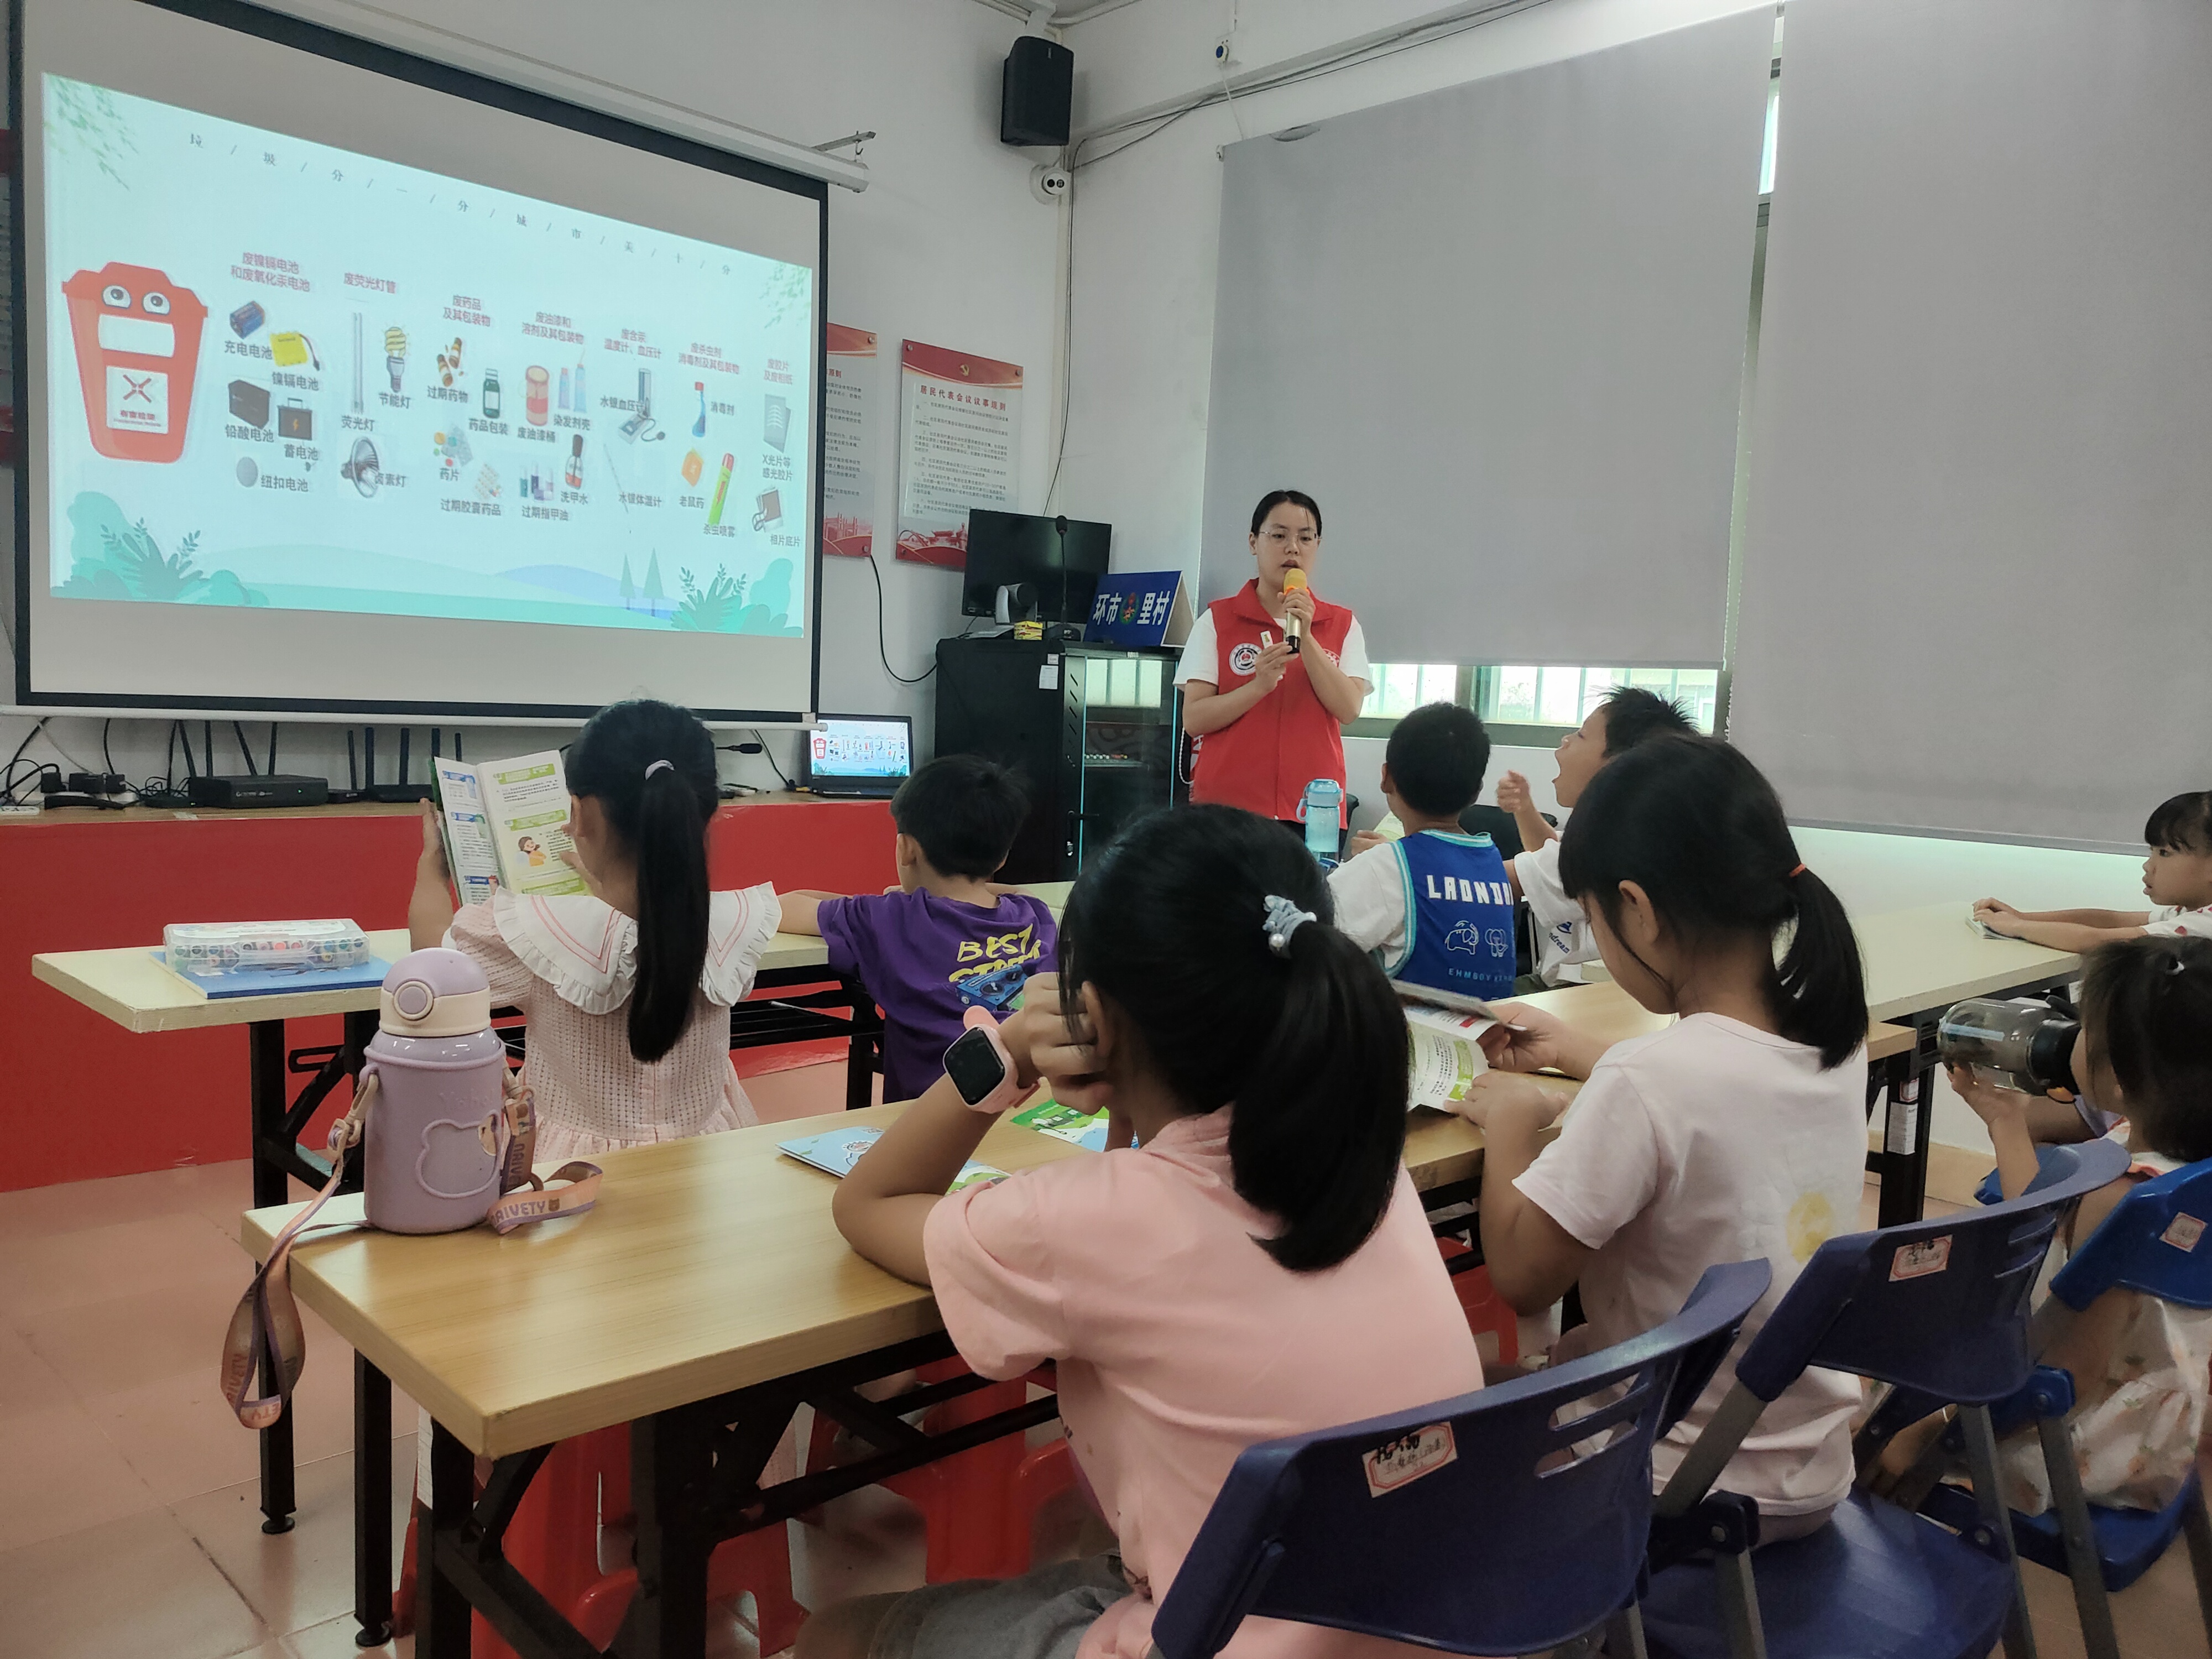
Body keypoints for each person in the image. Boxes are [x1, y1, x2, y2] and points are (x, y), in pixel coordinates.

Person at [799, 806, 1484, 1659]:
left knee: (836, 1635)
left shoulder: (1092, 1221)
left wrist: (1008, 1050)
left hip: (1214, 1637)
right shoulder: (1367, 1163)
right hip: (1424, 1623)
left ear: (1092, 1017)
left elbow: (870, 1203)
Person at [1455, 735, 1869, 1541]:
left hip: (1668, 1480)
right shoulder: (1833, 1040)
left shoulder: (1648, 1081)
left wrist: (1510, 1124)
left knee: (1458, 1386)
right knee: (1561, 1355)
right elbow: (1714, 1090)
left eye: (1594, 918)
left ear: (1637, 911)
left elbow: (1522, 1278)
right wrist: (1577, 1051)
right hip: (1803, 1467)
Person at [1881, 935, 2212, 1516]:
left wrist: (1929, 1431)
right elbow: (2045, 1229)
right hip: (2161, 1421)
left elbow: (2069, 1372)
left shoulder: (2121, 1199)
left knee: (1879, 1402)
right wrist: (2007, 1124)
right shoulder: (2177, 1175)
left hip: (2075, 1441)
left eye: (2085, 1026)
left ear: (2119, 1075)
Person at [406, 698, 781, 1162]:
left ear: (579, 815)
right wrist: (602, 883)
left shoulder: (535, 933)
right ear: (705, 812)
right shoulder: (736, 921)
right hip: (713, 1166)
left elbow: (433, 968)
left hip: (573, 1175)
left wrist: (432, 868)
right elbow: (645, 919)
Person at [779, 754, 1056, 1102]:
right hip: (1041, 1105)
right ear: (1002, 857)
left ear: (906, 848)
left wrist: (869, 902)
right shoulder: (1036, 916)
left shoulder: (886, 918)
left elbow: (782, 909)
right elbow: (1018, 892)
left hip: (934, 1119)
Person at [1176, 491, 1372, 833]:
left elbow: (1349, 709)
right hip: (1227, 813)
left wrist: (1306, 637)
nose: (1293, 548)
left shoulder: (1342, 625)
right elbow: (1194, 719)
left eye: (1305, 538)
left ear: (1317, 545)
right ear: (1254, 542)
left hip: (1312, 811)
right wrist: (1258, 687)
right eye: (1279, 536)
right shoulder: (1218, 620)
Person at [1494, 687, 1696, 987]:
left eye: (1581, 735)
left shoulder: (1603, 846)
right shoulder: (1633, 833)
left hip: (1578, 989)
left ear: (1619, 765)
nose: (1566, 740)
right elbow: (1554, 860)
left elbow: (1487, 881)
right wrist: (1525, 809)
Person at [1328, 702, 1516, 1001]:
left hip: (1414, 1028)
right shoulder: (1492, 860)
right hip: (1492, 1026)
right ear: (1476, 792)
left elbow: (1311, 936)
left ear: (1386, 778)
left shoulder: (1386, 864)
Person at [1973, 790, 2212, 952]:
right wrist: (2023, 917)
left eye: (2165, 853)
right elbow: (2112, 920)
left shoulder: (2203, 926)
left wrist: (2017, 927)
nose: (2148, 865)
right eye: (2152, 852)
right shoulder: (2188, 912)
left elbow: (2096, 940)